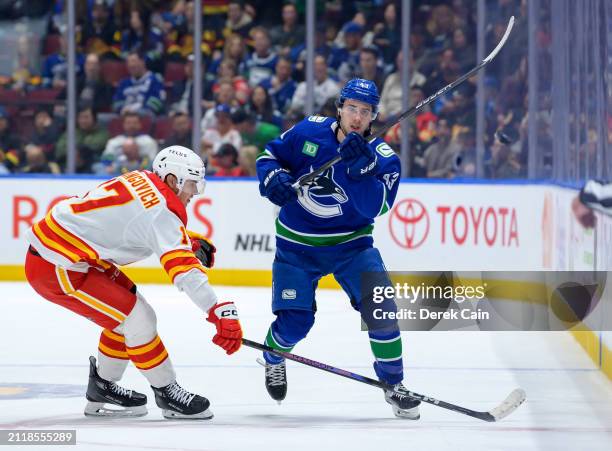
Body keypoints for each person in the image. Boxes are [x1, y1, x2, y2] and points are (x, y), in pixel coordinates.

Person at [24, 145, 242, 419]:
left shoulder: (143, 178)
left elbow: (135, 223)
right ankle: (167, 392)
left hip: (67, 255)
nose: (193, 194)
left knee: (127, 314)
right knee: (138, 319)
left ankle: (102, 387)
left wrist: (185, 241)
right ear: (173, 180)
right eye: (191, 185)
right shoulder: (161, 212)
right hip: (56, 265)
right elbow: (183, 268)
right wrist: (216, 309)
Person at [255, 78, 420, 419]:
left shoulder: (382, 158)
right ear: (340, 109)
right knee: (295, 324)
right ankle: (273, 356)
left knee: (382, 310)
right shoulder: (308, 131)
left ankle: (394, 383)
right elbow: (270, 155)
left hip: (352, 246)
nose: (357, 117)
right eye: (352, 109)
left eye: (365, 111)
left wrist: (361, 171)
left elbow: (375, 209)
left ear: (374, 115)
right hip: (297, 246)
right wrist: (273, 179)